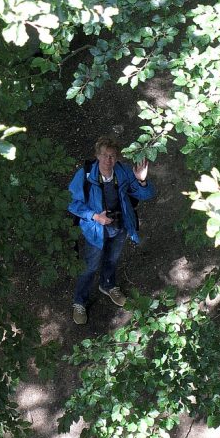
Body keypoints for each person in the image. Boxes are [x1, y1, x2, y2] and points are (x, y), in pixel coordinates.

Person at [68, 135, 156, 324]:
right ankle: (79, 302)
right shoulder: (85, 175)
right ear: (97, 156)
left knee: (112, 259)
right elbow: (73, 204)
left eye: (113, 156)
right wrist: (95, 216)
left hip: (120, 226)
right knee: (90, 266)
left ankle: (108, 285)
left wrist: (141, 181)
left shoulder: (122, 172)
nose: (110, 160)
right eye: (106, 155)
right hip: (96, 231)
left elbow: (146, 194)